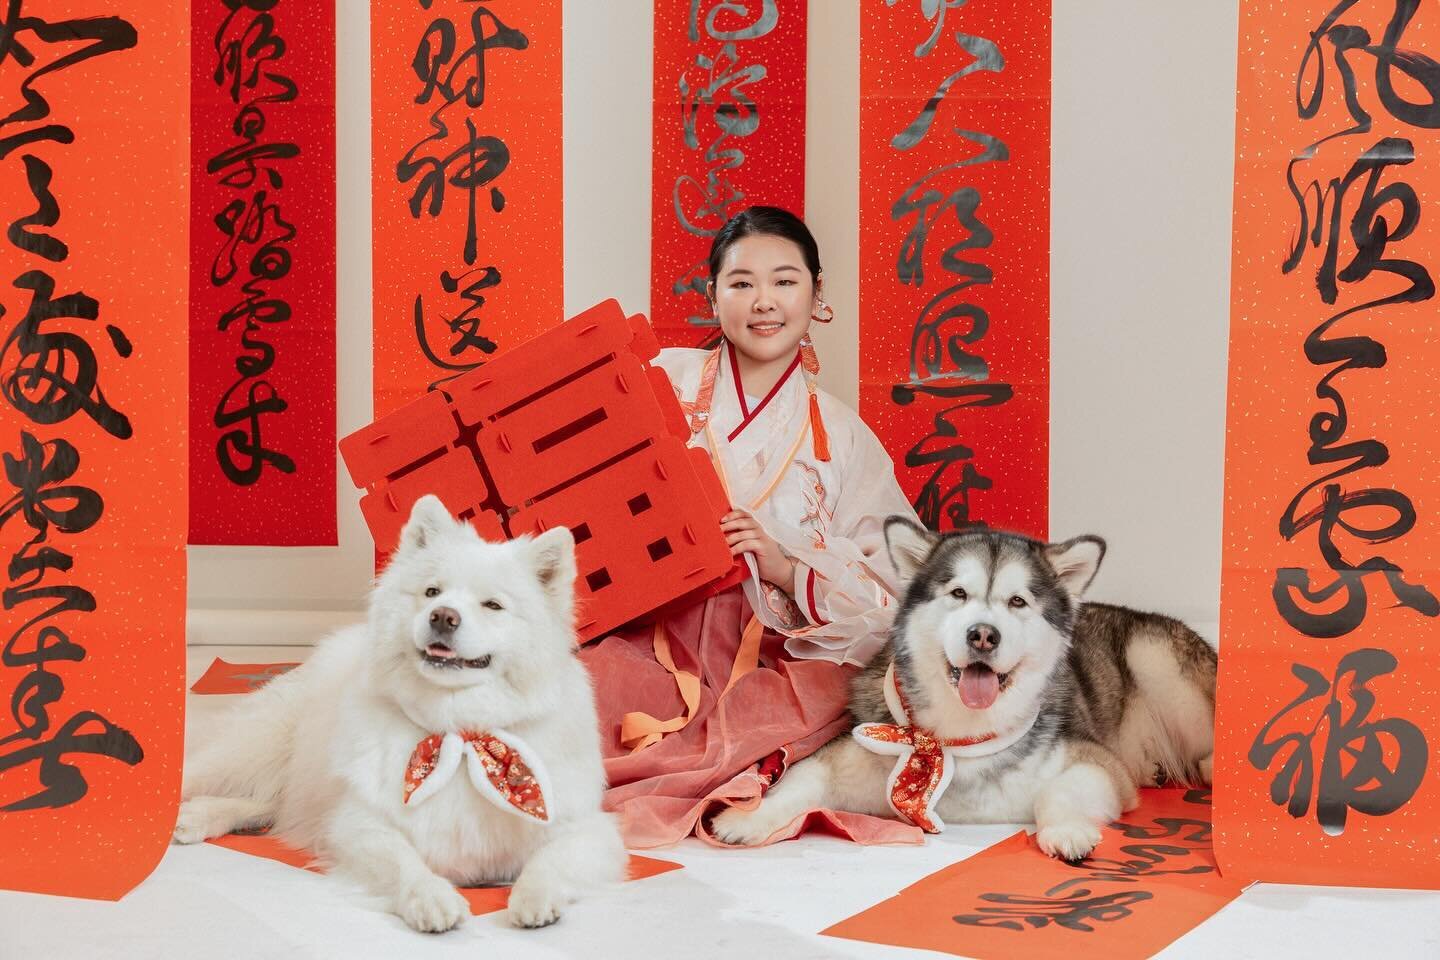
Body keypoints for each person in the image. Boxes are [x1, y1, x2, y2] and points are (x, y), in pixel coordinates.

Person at [578, 206, 922, 847]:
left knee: (798, 708)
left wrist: (786, 564)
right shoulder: (658, 381)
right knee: (573, 696)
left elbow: (895, 589)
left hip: (765, 650)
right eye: (741, 283)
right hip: (648, 628)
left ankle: (732, 762)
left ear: (818, 295)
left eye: (785, 281)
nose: (764, 302)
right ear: (712, 295)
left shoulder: (843, 436)